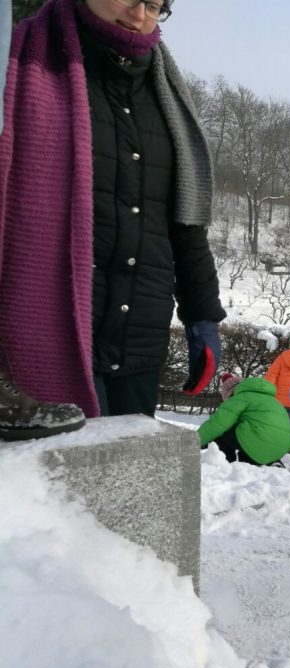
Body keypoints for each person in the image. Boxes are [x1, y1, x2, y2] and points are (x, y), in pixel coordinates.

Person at [0, 0, 225, 427]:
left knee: (128, 466)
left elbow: (186, 226)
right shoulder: (20, 59)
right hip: (52, 330)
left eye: (155, 5)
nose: (139, 14)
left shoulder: (166, 94)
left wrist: (203, 316)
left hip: (140, 339)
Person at [197, 373, 290, 466]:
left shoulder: (240, 398)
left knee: (222, 432)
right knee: (247, 438)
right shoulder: (274, 401)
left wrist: (195, 441)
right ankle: (271, 462)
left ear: (230, 393)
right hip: (280, 449)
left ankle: (224, 463)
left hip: (259, 442)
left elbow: (217, 423)